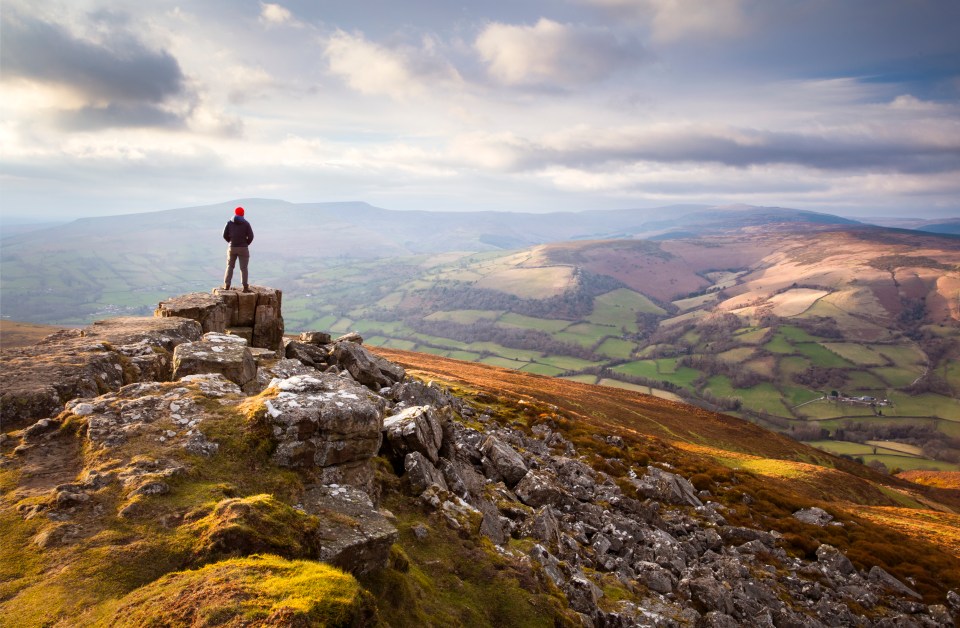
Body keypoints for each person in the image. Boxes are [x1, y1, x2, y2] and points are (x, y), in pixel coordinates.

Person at [222, 206, 254, 292]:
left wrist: (231, 242)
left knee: (230, 266)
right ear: (243, 214)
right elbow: (251, 236)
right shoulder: (246, 223)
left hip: (232, 247)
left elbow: (224, 235)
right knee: (243, 268)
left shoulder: (229, 223)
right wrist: (246, 243)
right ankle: (245, 287)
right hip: (243, 248)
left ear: (235, 213)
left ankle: (226, 285)